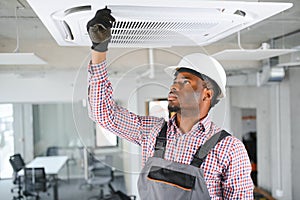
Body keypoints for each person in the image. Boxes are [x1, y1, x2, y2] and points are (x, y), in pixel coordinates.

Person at [87, 8, 254, 199]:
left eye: (185, 82)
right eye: (175, 81)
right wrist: (98, 50)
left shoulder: (229, 149)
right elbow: (103, 113)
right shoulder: (152, 131)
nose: (174, 87)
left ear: (207, 95)